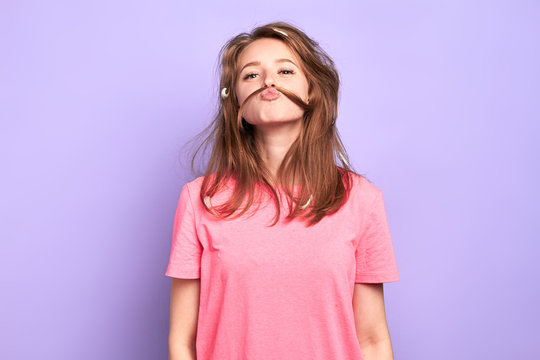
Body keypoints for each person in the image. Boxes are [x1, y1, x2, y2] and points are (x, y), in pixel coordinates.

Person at [165, 21, 400, 360]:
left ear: (312, 91)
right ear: (235, 103)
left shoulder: (361, 200)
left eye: (285, 71)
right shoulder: (200, 199)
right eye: (251, 75)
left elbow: (373, 340)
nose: (268, 81)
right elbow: (182, 343)